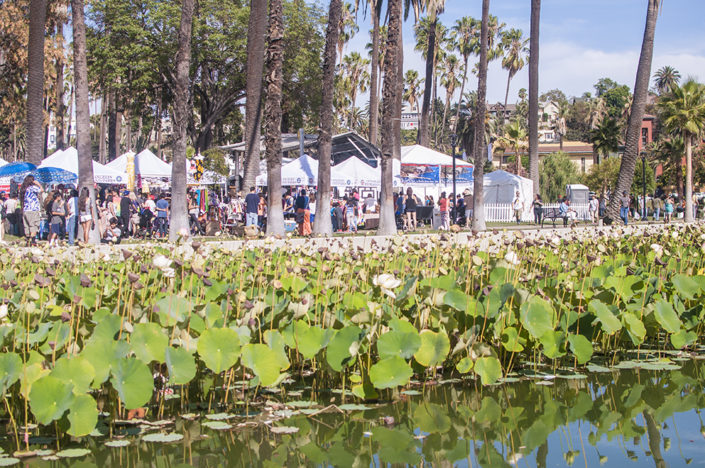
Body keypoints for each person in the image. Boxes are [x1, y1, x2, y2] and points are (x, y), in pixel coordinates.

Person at [20, 175, 43, 246]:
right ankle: (33, 241)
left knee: (27, 226)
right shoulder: (32, 188)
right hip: (33, 210)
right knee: (33, 226)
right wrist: (38, 184)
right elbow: (41, 190)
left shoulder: (24, 189)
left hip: (25, 210)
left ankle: (28, 241)